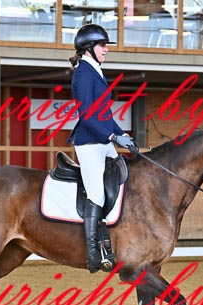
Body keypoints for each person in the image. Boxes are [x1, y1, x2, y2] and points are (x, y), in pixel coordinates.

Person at [68, 24, 136, 273]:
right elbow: (87, 115)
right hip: (89, 143)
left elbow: (104, 113)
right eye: (102, 46)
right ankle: (93, 253)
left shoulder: (94, 70)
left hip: (104, 142)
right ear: (88, 48)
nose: (106, 50)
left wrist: (121, 134)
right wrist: (111, 136)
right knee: (96, 194)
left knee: (124, 180)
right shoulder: (83, 74)